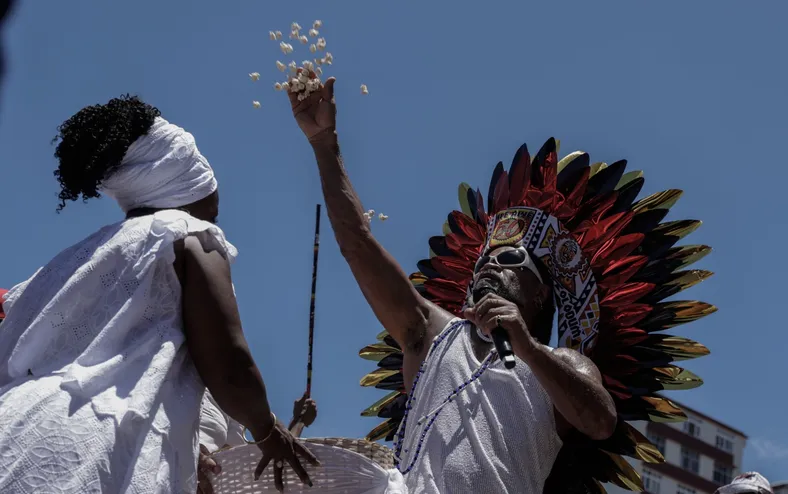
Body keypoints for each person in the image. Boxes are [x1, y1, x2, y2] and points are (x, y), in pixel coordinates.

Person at [288, 79, 716, 493]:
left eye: (509, 259)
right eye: (482, 261)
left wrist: (527, 348)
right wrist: (326, 145)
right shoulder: (430, 333)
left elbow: (599, 421)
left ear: (540, 293)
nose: (487, 268)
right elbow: (357, 246)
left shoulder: (563, 362)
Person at [0, 95, 317, 493]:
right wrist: (268, 432)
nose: (214, 222)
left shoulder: (67, 263)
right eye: (213, 212)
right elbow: (229, 364)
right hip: (98, 444)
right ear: (186, 192)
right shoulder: (186, 233)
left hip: (14, 426)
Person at [197, 392, 318, 494]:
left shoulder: (232, 415)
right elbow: (195, 460)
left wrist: (299, 421)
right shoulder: (207, 399)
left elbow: (279, 459)